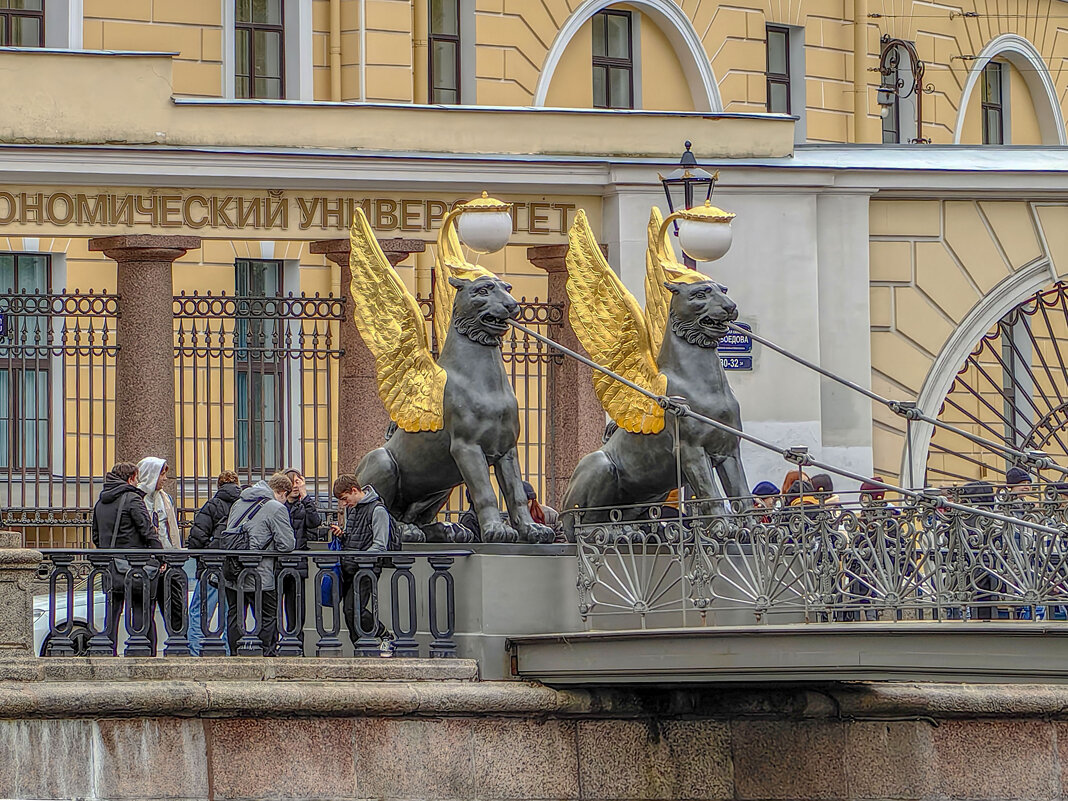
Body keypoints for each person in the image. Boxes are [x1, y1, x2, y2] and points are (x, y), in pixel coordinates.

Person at [90, 461, 163, 654]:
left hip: (110, 567)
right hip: (134, 567)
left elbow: (95, 537)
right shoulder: (132, 499)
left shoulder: (100, 502)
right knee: (140, 612)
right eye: (137, 478)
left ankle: (108, 652)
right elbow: (147, 532)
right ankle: (141, 654)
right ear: (131, 478)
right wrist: (162, 557)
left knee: (112, 614)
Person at [223, 472, 296, 656]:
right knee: (267, 617)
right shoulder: (275, 508)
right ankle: (266, 654)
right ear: (281, 493)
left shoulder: (239, 502)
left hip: (233, 571)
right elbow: (287, 544)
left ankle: (235, 654)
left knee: (235, 615)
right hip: (261, 575)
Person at [330, 475, 393, 648]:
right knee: (349, 610)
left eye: (345, 499)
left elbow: (380, 545)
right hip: (351, 566)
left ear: (355, 491)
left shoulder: (378, 510)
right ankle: (362, 644)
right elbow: (353, 536)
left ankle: (380, 635)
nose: (344, 504)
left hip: (367, 568)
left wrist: (359, 556)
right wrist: (342, 535)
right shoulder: (353, 509)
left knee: (353, 609)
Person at [186, 470, 241, 655]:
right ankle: (226, 652)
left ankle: (196, 651)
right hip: (234, 568)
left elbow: (195, 538)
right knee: (228, 613)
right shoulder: (242, 505)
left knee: (199, 612)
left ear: (219, 485)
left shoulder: (212, 505)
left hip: (211, 567)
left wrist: (203, 552)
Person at [137, 456, 185, 635]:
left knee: (175, 608)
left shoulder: (166, 499)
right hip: (148, 563)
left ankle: (178, 644)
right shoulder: (137, 499)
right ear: (151, 475)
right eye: (161, 475)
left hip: (168, 560)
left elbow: (168, 529)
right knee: (145, 611)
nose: (165, 479)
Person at [281, 467, 323, 650]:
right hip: (279, 562)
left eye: (299, 481)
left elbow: (315, 521)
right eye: (293, 481)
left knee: (296, 608)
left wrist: (306, 495)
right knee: (274, 606)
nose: (296, 486)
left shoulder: (303, 505)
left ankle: (296, 645)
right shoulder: (278, 505)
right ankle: (275, 643)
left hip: (298, 563)